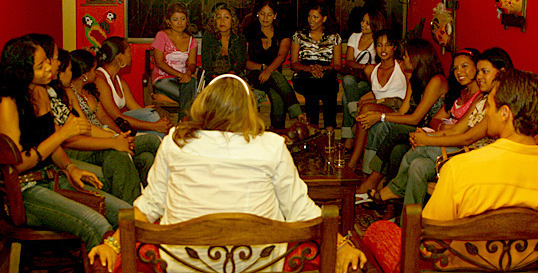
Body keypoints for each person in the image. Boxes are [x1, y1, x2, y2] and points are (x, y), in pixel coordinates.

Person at [88, 74, 367, 273]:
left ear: (203, 105)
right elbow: (301, 210)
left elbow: (149, 206)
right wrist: (342, 247)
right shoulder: (272, 145)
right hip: (259, 263)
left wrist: (113, 245)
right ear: (250, 110)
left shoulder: (175, 141)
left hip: (185, 264)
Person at [363, 68, 538, 272]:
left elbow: (429, 244)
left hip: (465, 268)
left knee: (378, 231)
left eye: (489, 106)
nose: (486, 113)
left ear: (505, 113)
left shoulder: (460, 169)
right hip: (535, 267)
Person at [0, 36, 132, 252]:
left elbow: (53, 147)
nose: (52, 66)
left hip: (53, 177)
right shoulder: (8, 103)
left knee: (126, 214)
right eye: (42, 65)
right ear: (22, 70)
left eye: (49, 61)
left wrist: (70, 167)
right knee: (98, 225)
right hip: (26, 191)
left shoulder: (40, 92)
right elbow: (17, 166)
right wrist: (62, 135)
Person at [370, 47, 514, 207]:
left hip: (477, 159)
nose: (479, 77)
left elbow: (469, 137)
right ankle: (411, 224)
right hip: (462, 152)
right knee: (418, 166)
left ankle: (393, 189)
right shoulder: (482, 100)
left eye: (484, 72)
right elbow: (456, 129)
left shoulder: (500, 104)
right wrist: (425, 135)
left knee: (417, 150)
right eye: (478, 72)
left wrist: (426, 140)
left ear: (501, 72)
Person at [57, 49, 160, 203]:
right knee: (151, 141)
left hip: (104, 133)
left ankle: (152, 200)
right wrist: (115, 138)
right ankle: (133, 209)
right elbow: (84, 128)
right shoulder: (68, 93)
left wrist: (120, 135)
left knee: (146, 157)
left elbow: (104, 116)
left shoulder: (90, 91)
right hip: (87, 142)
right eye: (94, 70)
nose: (97, 73)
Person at [354, 38, 448, 196]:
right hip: (417, 127)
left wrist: (381, 116)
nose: (403, 59)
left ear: (416, 57)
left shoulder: (436, 80)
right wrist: (376, 117)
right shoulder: (415, 77)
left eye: (405, 55)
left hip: (429, 130)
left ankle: (372, 180)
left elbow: (415, 119)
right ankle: (378, 185)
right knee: (390, 139)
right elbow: (402, 112)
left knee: (392, 128)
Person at [346, 29, 409, 172]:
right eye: (379, 45)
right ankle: (363, 165)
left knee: (367, 109)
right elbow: (376, 93)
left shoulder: (402, 67)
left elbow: (411, 94)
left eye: (387, 45)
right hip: (379, 106)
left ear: (394, 47)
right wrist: (364, 100)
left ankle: (353, 162)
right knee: (365, 109)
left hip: (398, 108)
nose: (383, 49)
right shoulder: (370, 70)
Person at [245, 0, 306, 129]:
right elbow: (244, 61)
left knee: (277, 95)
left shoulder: (282, 33)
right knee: (276, 77)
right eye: (262, 13)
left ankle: (277, 131)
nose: (265, 18)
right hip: (255, 75)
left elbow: (281, 56)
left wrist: (268, 71)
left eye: (269, 14)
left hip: (274, 76)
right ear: (257, 14)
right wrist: (262, 68)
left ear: (275, 15)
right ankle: (297, 112)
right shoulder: (249, 31)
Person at [96, 37, 172, 137]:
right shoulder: (100, 80)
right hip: (108, 128)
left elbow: (136, 109)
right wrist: (154, 125)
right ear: (120, 56)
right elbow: (116, 117)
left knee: (151, 115)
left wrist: (160, 123)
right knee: (153, 123)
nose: (131, 54)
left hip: (120, 124)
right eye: (128, 51)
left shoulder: (120, 82)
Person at [291, 2, 342, 130]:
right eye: (309, 16)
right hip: (304, 74)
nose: (311, 20)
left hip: (326, 75)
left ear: (324, 19)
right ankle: (312, 129)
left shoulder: (334, 37)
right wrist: (310, 69)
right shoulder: (299, 36)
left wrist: (322, 69)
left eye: (315, 17)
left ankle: (329, 129)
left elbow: (337, 65)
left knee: (329, 88)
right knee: (312, 88)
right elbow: (294, 63)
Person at [341, 9, 387, 148]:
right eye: (362, 21)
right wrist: (364, 67)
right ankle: (355, 117)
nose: (363, 24)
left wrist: (367, 69)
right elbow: (349, 61)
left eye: (367, 23)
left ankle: (349, 137)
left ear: (375, 24)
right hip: (355, 76)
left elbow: (379, 65)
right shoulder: (355, 37)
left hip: (371, 81)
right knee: (348, 80)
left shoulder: (379, 41)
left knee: (345, 98)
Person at [151, 1, 198, 121]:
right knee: (194, 99)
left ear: (187, 20)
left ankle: (182, 124)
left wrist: (188, 73)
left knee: (191, 82)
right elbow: (159, 62)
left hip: (182, 80)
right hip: (162, 80)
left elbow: (192, 64)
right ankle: (185, 125)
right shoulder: (161, 36)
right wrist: (180, 75)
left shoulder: (191, 40)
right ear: (169, 21)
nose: (179, 23)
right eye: (175, 19)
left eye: (182, 19)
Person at [201, 3, 247, 82]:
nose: (222, 21)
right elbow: (207, 63)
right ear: (215, 20)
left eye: (226, 17)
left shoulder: (240, 38)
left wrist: (230, 76)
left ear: (232, 20)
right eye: (219, 17)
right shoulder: (208, 37)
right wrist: (216, 78)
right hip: (213, 79)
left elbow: (240, 63)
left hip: (235, 78)